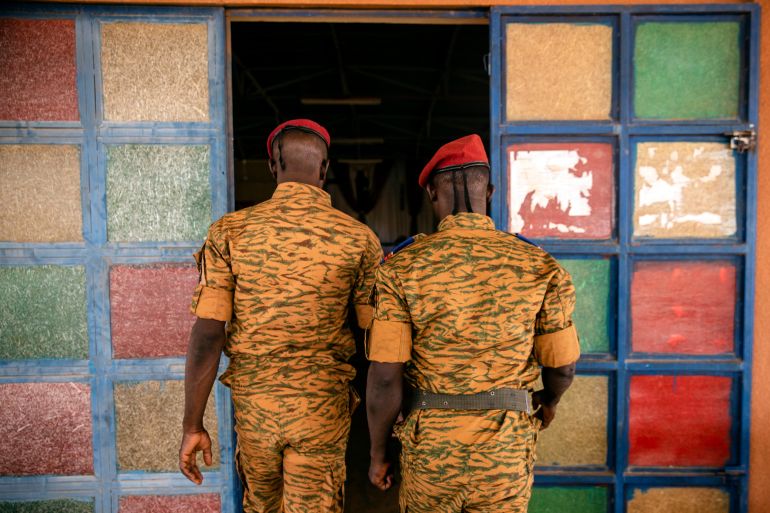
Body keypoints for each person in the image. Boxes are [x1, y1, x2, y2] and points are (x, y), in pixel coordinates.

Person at [365, 134, 580, 513]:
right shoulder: (540, 266)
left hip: (432, 456)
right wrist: (548, 402)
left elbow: (384, 377)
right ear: (490, 192)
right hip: (505, 454)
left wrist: (378, 453)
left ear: (432, 192)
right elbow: (562, 367)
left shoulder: (401, 268)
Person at [179, 119, 382, 513]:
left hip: (257, 412)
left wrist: (192, 425)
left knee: (262, 505)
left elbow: (207, 335)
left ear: (273, 166)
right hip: (321, 408)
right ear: (325, 169)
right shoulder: (359, 239)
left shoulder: (229, 233)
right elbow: (377, 339)